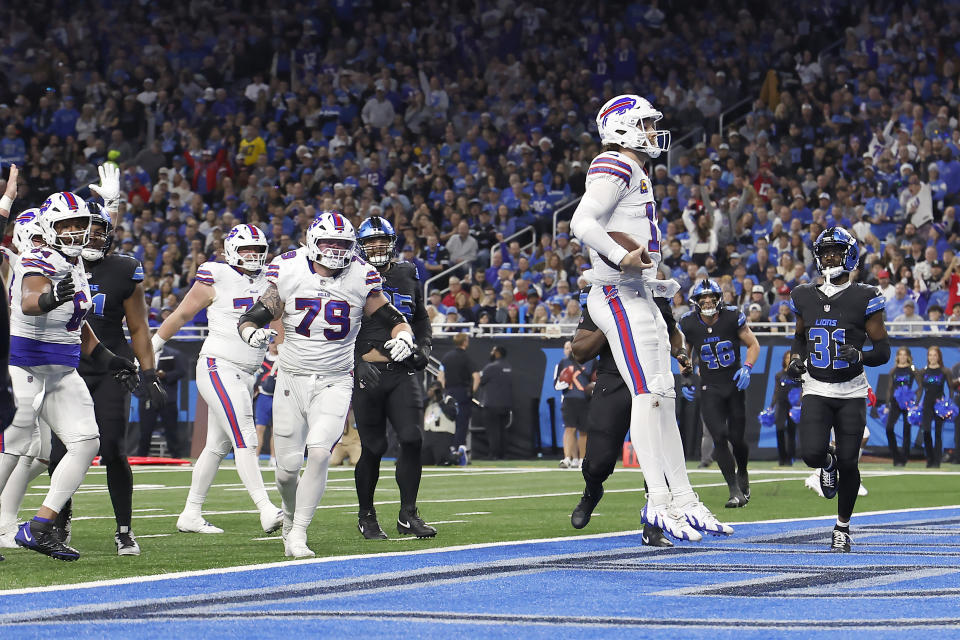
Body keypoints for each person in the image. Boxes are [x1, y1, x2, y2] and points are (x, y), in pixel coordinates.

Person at [569, 94, 730, 540]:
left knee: (663, 396)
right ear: (620, 127)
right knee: (647, 394)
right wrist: (623, 256)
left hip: (639, 293)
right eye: (644, 123)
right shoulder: (614, 164)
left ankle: (682, 497)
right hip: (617, 293)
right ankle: (658, 502)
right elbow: (582, 223)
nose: (652, 131)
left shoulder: (634, 169)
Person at [237, 211, 418, 558]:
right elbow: (254, 315)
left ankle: (300, 533)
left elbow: (394, 318)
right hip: (292, 379)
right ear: (312, 242)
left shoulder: (361, 276)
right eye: (329, 243)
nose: (335, 251)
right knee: (287, 471)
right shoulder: (289, 268)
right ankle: (289, 519)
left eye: (342, 244)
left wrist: (405, 336)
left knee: (319, 452)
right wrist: (251, 332)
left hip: (335, 380)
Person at [4, 192, 138, 560]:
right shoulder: (39, 257)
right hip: (25, 364)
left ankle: (40, 526)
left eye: (80, 225)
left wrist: (112, 359)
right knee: (14, 447)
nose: (75, 232)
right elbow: (32, 300)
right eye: (67, 225)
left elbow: (79, 327)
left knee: (86, 441)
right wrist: (50, 298)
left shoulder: (76, 263)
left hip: (62, 369)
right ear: (50, 227)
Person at [44, 191, 165, 557]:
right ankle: (59, 521)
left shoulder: (123, 268)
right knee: (60, 450)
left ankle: (124, 529)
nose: (93, 236)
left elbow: (139, 327)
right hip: (67, 367)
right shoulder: (55, 263)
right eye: (87, 228)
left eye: (100, 230)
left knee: (113, 448)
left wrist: (150, 372)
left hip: (111, 369)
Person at [151, 223, 284, 536]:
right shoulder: (216, 274)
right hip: (218, 365)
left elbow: (279, 320)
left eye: (257, 250)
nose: (252, 255)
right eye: (246, 249)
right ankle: (266, 508)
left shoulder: (272, 280)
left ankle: (191, 513)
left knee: (216, 446)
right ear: (231, 251)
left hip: (246, 372)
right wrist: (153, 347)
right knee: (246, 435)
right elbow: (182, 314)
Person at [786, 227, 890, 552]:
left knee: (850, 463)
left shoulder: (865, 296)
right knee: (811, 455)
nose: (830, 257)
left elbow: (883, 350)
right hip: (816, 385)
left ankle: (842, 527)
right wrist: (795, 360)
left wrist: (861, 355)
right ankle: (826, 462)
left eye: (836, 250)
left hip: (852, 391)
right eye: (825, 252)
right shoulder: (804, 295)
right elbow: (800, 337)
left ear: (850, 254)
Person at [569, 285, 693, 547]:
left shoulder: (656, 296)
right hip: (613, 380)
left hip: (650, 382)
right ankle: (592, 491)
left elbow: (673, 335)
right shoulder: (601, 297)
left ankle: (653, 524)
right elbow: (579, 351)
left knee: (656, 455)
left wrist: (680, 353)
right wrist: (612, 320)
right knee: (598, 462)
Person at [352, 215, 435, 540]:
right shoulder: (351, 276)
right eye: (370, 242)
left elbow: (421, 318)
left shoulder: (406, 272)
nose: (376, 247)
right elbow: (342, 330)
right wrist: (356, 361)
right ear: (361, 246)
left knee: (413, 439)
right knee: (373, 446)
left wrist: (424, 348)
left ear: (392, 244)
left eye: (381, 241)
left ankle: (407, 514)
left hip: (401, 372)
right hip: (368, 372)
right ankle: (366, 515)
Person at [679, 279, 760, 507]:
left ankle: (742, 470)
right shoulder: (689, 323)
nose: (707, 303)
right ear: (696, 303)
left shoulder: (732, 317)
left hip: (733, 385)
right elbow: (685, 354)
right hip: (710, 387)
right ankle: (734, 489)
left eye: (711, 299)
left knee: (737, 438)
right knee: (719, 436)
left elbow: (753, 345)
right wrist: (685, 378)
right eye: (702, 300)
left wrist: (747, 367)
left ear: (719, 300)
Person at [138, 341, 186, 456]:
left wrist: (166, 375)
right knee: (145, 431)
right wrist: (141, 394)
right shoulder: (141, 355)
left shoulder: (174, 354)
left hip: (167, 398)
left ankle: (176, 457)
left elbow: (181, 371)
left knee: (171, 430)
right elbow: (137, 375)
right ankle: (141, 457)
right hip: (148, 399)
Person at [553, 340, 595, 469]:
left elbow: (596, 379)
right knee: (569, 429)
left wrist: (593, 386)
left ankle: (582, 459)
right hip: (569, 399)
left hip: (585, 400)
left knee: (584, 431)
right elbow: (556, 385)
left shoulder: (592, 361)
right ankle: (567, 458)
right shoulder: (563, 362)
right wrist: (562, 383)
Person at [439, 332, 479, 464]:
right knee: (462, 424)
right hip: (462, 393)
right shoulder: (466, 358)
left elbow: (440, 377)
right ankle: (459, 452)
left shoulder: (446, 357)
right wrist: (471, 392)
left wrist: (444, 392)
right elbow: (476, 377)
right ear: (465, 342)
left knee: (450, 423)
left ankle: (448, 451)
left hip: (449, 393)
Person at [474, 345, 514, 460]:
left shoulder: (490, 367)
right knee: (503, 430)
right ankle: (504, 454)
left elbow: (480, 381)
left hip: (492, 405)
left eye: (493, 351)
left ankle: (494, 455)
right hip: (506, 404)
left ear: (497, 353)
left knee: (493, 431)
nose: (491, 353)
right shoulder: (508, 367)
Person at [884, 347, 920, 466]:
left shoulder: (912, 369)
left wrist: (916, 403)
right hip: (895, 403)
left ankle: (903, 459)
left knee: (906, 430)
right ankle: (895, 456)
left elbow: (920, 386)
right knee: (889, 428)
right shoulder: (893, 370)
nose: (903, 357)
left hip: (908, 403)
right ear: (897, 357)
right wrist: (887, 405)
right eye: (900, 355)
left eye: (905, 355)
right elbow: (889, 389)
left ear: (908, 356)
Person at [919, 346, 954, 468]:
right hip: (927, 404)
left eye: (935, 355)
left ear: (939, 356)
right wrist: (917, 404)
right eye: (930, 355)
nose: (932, 357)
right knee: (926, 431)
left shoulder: (945, 371)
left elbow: (951, 388)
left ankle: (937, 461)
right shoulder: (923, 371)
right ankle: (930, 459)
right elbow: (919, 390)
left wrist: (948, 403)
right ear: (927, 357)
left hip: (939, 405)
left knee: (938, 433)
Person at [772, 352, 801, 466]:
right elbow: (776, 391)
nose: (788, 360)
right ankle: (782, 458)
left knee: (791, 431)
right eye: (787, 358)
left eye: (790, 358)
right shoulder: (779, 375)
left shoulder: (797, 374)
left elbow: (801, 389)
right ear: (784, 359)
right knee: (779, 429)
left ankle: (790, 458)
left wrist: (798, 403)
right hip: (781, 404)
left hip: (792, 406)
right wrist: (771, 405)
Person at [254, 342, 279, 466]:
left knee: (276, 430)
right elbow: (255, 375)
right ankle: (255, 458)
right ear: (268, 343)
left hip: (278, 397)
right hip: (264, 396)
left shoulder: (284, 358)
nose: (275, 345)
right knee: (259, 428)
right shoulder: (261, 359)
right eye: (272, 342)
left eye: (277, 342)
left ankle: (273, 459)